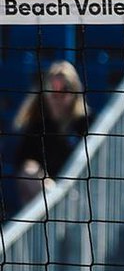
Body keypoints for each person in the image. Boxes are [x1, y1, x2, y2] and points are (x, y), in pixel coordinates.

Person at [13, 61, 89, 206]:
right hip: (46, 203)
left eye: (64, 90)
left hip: (81, 199)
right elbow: (24, 163)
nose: (57, 97)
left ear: (74, 92)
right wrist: (46, 183)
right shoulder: (37, 126)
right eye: (52, 89)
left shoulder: (86, 124)